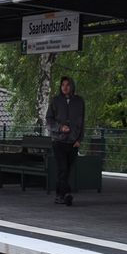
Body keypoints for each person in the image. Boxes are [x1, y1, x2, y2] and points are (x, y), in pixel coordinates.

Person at [45, 76, 85, 206]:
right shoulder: (55, 101)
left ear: (72, 86)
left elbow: (82, 121)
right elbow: (49, 119)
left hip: (73, 142)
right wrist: (60, 128)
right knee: (63, 168)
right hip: (58, 141)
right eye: (63, 85)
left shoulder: (79, 101)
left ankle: (59, 195)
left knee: (66, 170)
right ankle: (66, 193)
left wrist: (79, 139)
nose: (65, 87)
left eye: (67, 85)